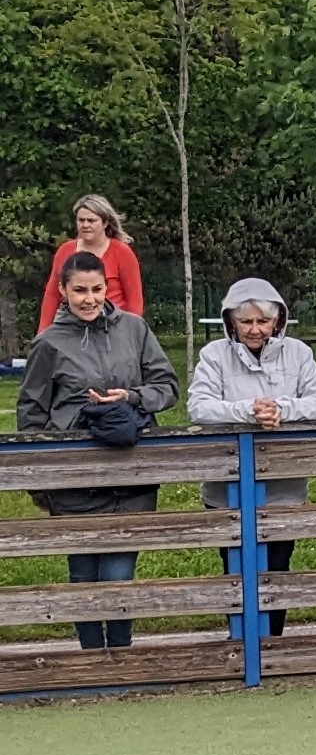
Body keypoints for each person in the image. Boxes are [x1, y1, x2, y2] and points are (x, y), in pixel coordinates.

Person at [17, 251, 176, 649]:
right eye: (79, 290)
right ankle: (88, 659)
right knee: (83, 575)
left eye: (96, 289)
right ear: (63, 291)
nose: (89, 298)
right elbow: (32, 412)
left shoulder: (135, 329)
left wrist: (134, 397)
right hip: (75, 479)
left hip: (130, 473)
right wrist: (39, 478)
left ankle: (120, 657)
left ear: (107, 287)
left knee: (119, 575)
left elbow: (168, 386)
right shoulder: (48, 344)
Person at [188, 277, 316, 639]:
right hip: (227, 487)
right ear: (232, 323)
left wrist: (281, 409)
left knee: (277, 568)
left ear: (277, 322)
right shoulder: (213, 356)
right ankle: (240, 644)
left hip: (284, 486)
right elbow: (199, 407)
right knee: (235, 568)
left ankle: (273, 644)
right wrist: (248, 411)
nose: (255, 329)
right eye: (246, 321)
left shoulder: (299, 353)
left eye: (263, 321)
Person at [37, 195, 143, 330]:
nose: (85, 225)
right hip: (71, 325)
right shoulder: (65, 251)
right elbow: (52, 295)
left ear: (105, 223)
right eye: (81, 220)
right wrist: (43, 332)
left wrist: (131, 333)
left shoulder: (122, 252)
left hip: (111, 326)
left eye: (91, 220)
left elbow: (135, 301)